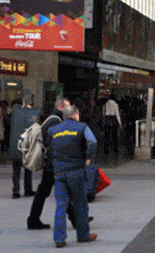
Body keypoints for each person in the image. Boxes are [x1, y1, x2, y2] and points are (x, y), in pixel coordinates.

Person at [48, 105, 97, 247]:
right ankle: (83, 236)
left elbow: (48, 146)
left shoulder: (53, 130)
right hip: (76, 170)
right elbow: (93, 141)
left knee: (61, 205)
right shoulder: (82, 127)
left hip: (59, 172)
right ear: (76, 114)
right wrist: (88, 157)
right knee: (80, 204)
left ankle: (59, 239)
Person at [27, 97, 70, 230]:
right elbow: (54, 143)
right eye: (68, 106)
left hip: (51, 164)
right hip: (54, 164)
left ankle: (33, 219)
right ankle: (77, 218)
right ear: (61, 107)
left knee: (45, 191)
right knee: (62, 190)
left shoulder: (53, 119)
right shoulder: (55, 121)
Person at [9, 99, 36, 199]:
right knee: (28, 168)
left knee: (16, 170)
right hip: (26, 146)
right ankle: (27, 189)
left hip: (15, 146)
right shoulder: (24, 115)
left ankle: (16, 191)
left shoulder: (12, 116)